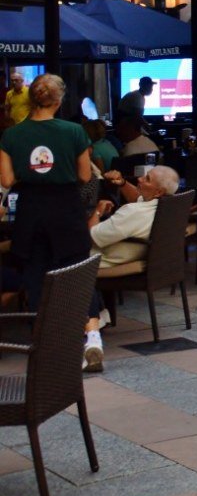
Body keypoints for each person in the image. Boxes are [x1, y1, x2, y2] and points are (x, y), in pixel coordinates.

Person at [0, 74, 104, 371]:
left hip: (31, 210)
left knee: (35, 276)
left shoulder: (11, 135)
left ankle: (44, 345)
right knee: (77, 272)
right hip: (66, 209)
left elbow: (6, 180)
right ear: (59, 101)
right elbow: (85, 176)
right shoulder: (73, 131)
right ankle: (92, 337)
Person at [89, 165, 180, 268]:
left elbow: (91, 237)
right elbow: (138, 198)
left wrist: (97, 211)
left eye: (147, 179)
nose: (139, 178)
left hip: (101, 262)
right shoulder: (167, 206)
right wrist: (123, 183)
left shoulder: (133, 211)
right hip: (139, 257)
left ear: (158, 192)